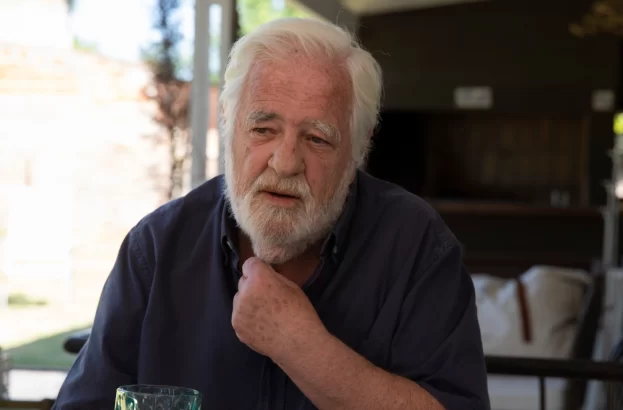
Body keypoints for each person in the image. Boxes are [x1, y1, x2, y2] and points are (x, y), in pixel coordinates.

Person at [53, 17, 489, 410]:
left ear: (360, 146)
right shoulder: (156, 249)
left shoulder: (417, 247)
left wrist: (302, 347)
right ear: (228, 122)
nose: (285, 162)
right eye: (263, 129)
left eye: (317, 138)